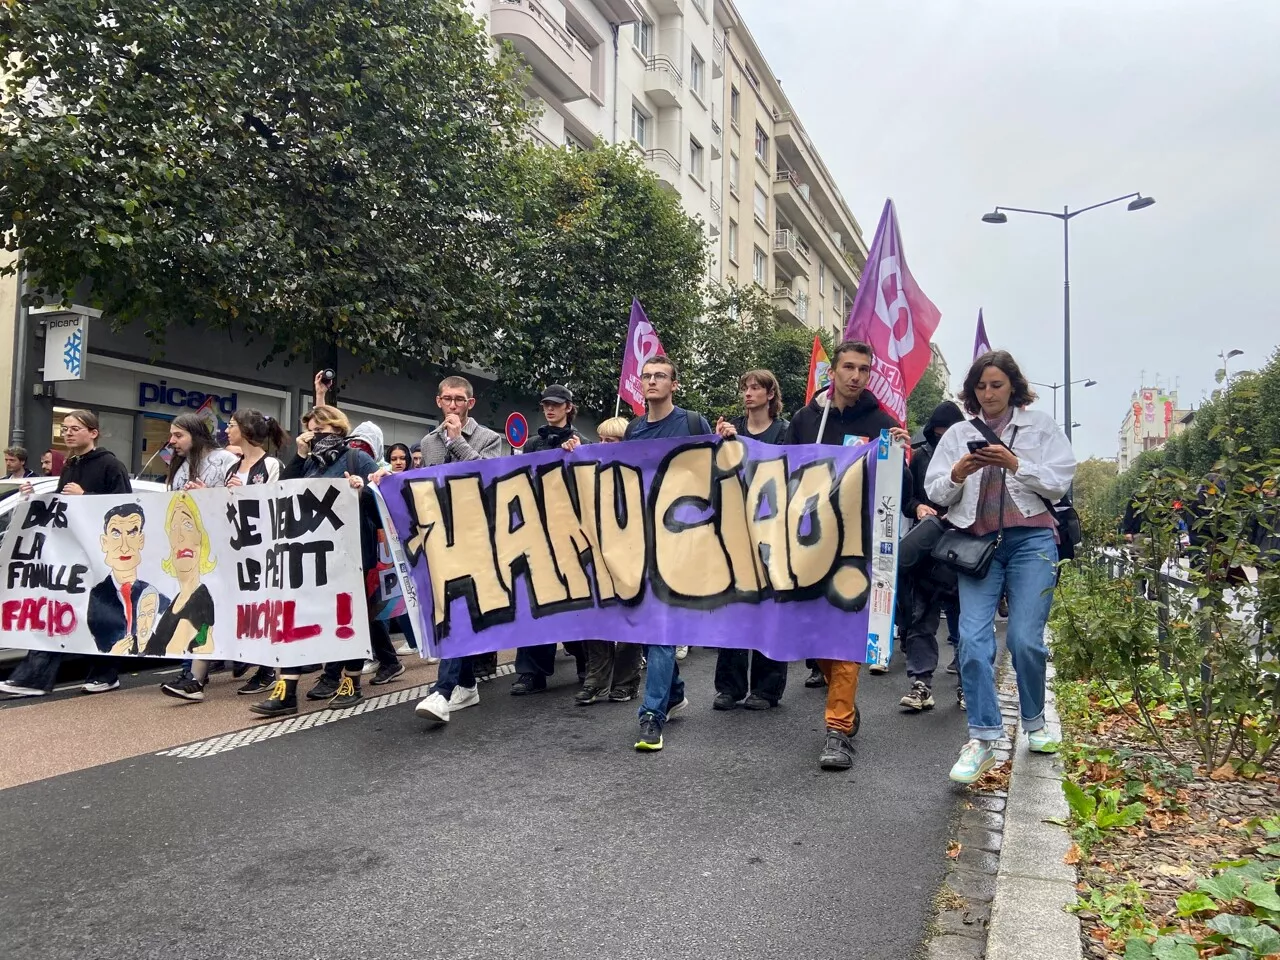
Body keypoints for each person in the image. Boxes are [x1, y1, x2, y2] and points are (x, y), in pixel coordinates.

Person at [925, 350, 1076, 784]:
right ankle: (983, 738)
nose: (988, 393)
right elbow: (936, 491)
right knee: (972, 641)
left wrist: (1015, 464)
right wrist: (957, 473)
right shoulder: (957, 433)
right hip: (977, 544)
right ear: (972, 391)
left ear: (1012, 386)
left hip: (1032, 541)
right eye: (981, 386)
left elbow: (1059, 480)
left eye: (996, 385)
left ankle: (1034, 721)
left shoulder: (1040, 427)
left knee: (1026, 640)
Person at [785, 341, 916, 771]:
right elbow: (781, 474)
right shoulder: (806, 419)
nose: (856, 376)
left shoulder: (882, 423)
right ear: (833, 371)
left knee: (843, 636)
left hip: (856, 546)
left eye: (863, 369)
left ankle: (838, 730)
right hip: (807, 544)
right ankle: (840, 699)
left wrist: (901, 457)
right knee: (811, 635)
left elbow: (902, 493)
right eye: (848, 367)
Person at [248, 403, 383, 717]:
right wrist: (299, 454)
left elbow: (379, 512)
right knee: (298, 616)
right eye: (309, 430)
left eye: (319, 431)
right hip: (309, 557)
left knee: (347, 618)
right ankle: (287, 690)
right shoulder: (310, 463)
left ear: (337, 429)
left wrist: (362, 491)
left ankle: (351, 683)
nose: (313, 436)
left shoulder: (357, 459)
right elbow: (285, 491)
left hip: (350, 557)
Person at [0, 411, 132, 698]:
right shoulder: (70, 465)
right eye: (65, 428)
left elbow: (125, 508)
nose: (68, 433)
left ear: (93, 433)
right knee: (57, 612)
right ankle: (33, 677)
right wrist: (32, 497)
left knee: (100, 616)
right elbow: (61, 508)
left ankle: (104, 674)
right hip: (70, 555)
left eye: (75, 428)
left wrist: (86, 498)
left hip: (99, 556)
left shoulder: (111, 465)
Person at [625, 355, 709, 752]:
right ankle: (673, 693)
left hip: (681, 540)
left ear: (674, 384)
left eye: (661, 376)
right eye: (647, 376)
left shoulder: (693, 423)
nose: (653, 381)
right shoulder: (633, 430)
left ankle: (651, 715)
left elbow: (713, 476)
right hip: (641, 540)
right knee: (647, 626)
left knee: (661, 629)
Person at [409, 375, 504, 725]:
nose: (452, 405)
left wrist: (458, 441)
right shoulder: (427, 442)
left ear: (470, 404)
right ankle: (466, 684)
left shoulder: (489, 437)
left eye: (459, 399)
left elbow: (489, 476)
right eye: (447, 399)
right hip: (439, 536)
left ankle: (443, 691)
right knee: (450, 612)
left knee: (457, 613)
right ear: (438, 402)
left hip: (475, 536)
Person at [711, 370, 791, 711]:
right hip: (735, 529)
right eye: (744, 387)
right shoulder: (734, 431)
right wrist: (721, 443)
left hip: (773, 530)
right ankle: (729, 687)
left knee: (769, 609)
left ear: (771, 394)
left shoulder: (785, 432)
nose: (748, 393)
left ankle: (766, 688)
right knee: (734, 607)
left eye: (756, 387)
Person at [510, 385, 588, 694]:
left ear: (568, 407)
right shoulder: (532, 446)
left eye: (556, 404)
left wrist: (580, 454)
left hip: (570, 532)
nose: (549, 409)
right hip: (535, 529)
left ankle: (585, 660)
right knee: (534, 603)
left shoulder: (583, 443)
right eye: (545, 404)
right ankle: (531, 672)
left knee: (573, 601)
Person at [898, 401, 966, 714]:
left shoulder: (973, 457)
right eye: (939, 434)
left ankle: (969, 684)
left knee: (965, 621)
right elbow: (905, 497)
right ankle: (921, 683)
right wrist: (917, 508)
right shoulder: (920, 455)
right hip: (926, 547)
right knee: (920, 618)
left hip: (962, 548)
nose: (944, 440)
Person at [574, 415, 643, 706]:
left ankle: (626, 682)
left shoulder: (636, 473)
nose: (602, 445)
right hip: (597, 555)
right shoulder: (589, 472)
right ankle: (595, 680)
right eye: (600, 439)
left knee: (629, 620)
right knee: (596, 618)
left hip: (630, 556)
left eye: (610, 441)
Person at [223, 409, 288, 694]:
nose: (226, 430)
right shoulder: (233, 467)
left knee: (266, 606)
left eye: (232, 425)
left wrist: (245, 490)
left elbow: (275, 503)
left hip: (264, 550)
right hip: (239, 549)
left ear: (246, 431)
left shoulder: (270, 464)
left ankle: (268, 669)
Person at [165, 414, 239, 491]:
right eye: (172, 435)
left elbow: (238, 497)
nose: (172, 441)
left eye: (178, 435)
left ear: (196, 436)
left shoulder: (226, 459)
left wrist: (205, 494)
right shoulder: (179, 461)